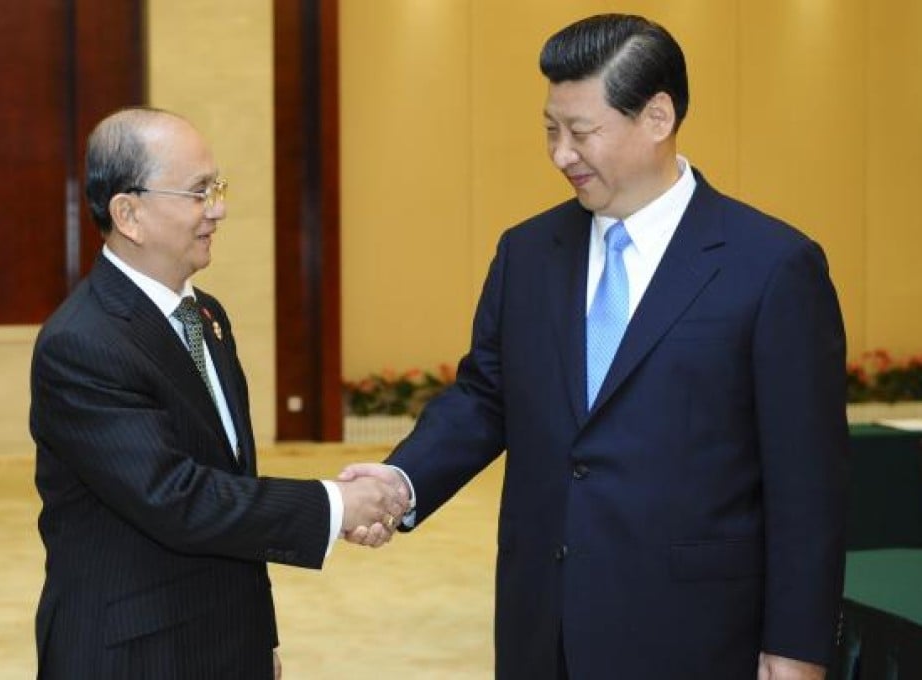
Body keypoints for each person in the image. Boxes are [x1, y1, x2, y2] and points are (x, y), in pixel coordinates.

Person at [341, 13, 848, 679]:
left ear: (657, 118)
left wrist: (797, 648)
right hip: (542, 623)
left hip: (695, 632)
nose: (561, 154)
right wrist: (404, 481)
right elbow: (487, 396)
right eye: (551, 129)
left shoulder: (772, 266)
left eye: (581, 132)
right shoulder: (528, 252)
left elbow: (809, 482)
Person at [30, 107, 407, 679]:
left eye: (218, 187)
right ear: (129, 213)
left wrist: (258, 640)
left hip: (221, 640)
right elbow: (175, 498)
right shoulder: (83, 342)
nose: (219, 208)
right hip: (133, 655)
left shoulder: (205, 316)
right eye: (199, 192)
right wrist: (335, 505)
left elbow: (233, 484)